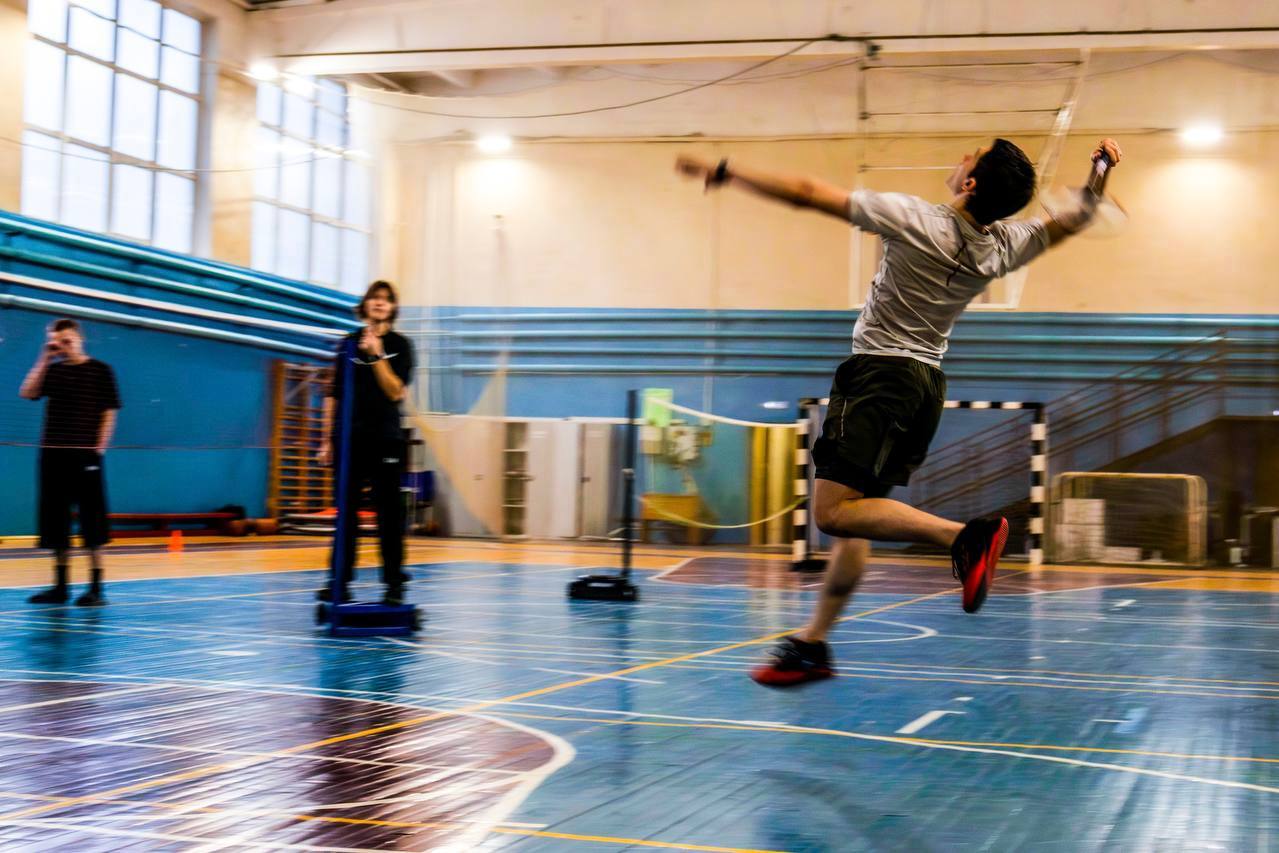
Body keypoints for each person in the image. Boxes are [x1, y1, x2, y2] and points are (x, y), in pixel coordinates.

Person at [676, 137, 1123, 686]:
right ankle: (813, 643)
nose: (962, 156)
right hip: (924, 388)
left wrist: (728, 170)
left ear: (971, 183)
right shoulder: (1004, 245)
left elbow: (808, 192)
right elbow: (1075, 219)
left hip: (877, 377)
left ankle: (964, 537)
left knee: (831, 514)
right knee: (856, 521)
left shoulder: (914, 219)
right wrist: (1098, 173)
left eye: (972, 155)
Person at [318, 281, 414, 605]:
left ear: (393, 308)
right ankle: (339, 581)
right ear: (365, 305)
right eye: (375, 297)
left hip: (386, 441)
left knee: (389, 516)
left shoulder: (401, 345)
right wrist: (326, 441)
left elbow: (395, 391)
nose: (380, 303)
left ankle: (394, 585)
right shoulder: (347, 344)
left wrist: (377, 355)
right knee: (345, 515)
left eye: (386, 299)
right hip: (349, 442)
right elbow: (333, 395)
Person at [19, 318, 121, 606]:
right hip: (53, 456)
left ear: (80, 339)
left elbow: (109, 412)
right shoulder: (53, 370)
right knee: (55, 521)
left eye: (67, 340)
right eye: (57, 341)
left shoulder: (101, 370)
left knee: (92, 520)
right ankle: (60, 587)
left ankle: (96, 589)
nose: (63, 346)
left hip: (86, 455)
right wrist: (45, 357)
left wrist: (99, 449)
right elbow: (27, 392)